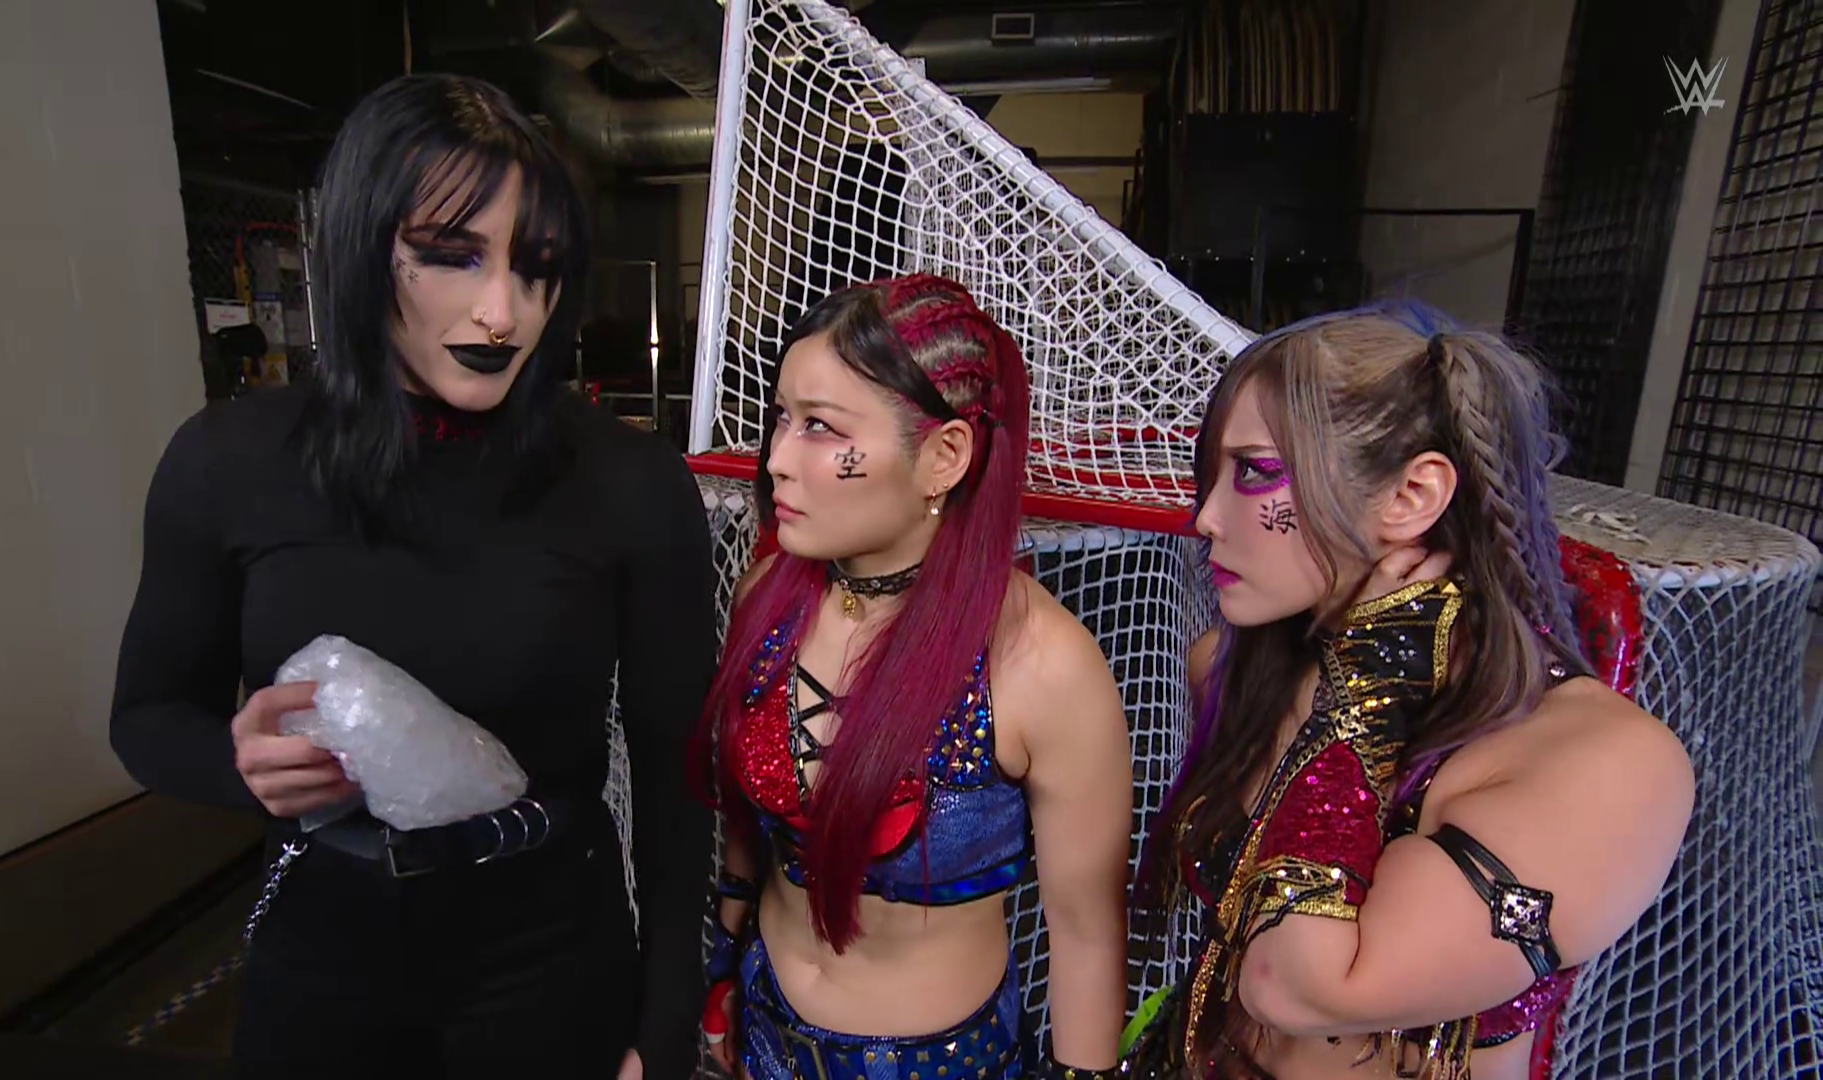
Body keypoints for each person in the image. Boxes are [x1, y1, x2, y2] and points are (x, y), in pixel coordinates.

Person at [108, 73, 715, 1080]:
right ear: (362, 247)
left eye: (538, 268)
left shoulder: (627, 481)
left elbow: (675, 778)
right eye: (450, 256)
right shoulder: (229, 462)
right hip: (321, 952)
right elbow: (145, 717)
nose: (502, 311)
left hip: (549, 953)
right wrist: (237, 763)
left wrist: (667, 1023)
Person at [1126, 303, 1695, 1080]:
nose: (1208, 517)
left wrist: (1374, 686)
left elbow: (1293, 985)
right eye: (1213, 475)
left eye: (1255, 472)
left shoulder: (1610, 764)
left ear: (1411, 496)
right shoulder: (1231, 670)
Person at [693, 274, 1134, 1080]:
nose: (777, 460)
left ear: (943, 456)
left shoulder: (1041, 665)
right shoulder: (766, 598)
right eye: (781, 418)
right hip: (762, 1034)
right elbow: (745, 833)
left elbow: (1086, 936)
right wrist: (726, 958)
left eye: (821, 428)